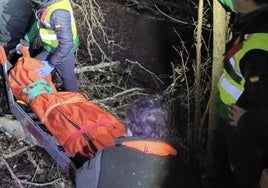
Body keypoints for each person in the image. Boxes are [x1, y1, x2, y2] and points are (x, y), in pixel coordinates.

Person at [75, 96, 193, 188]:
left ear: (130, 130)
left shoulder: (106, 156)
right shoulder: (182, 169)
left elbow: (81, 181)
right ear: (164, 132)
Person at [213, 0, 268, 187]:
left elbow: (263, 106)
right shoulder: (254, 20)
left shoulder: (259, 52)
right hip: (234, 129)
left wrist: (245, 121)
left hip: (246, 140)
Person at [17, 0, 80, 92]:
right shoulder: (43, 5)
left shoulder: (58, 13)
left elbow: (66, 44)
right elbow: (37, 24)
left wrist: (51, 63)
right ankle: (47, 87)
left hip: (64, 50)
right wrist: (26, 41)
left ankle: (74, 102)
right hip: (49, 48)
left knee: (67, 78)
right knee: (31, 69)